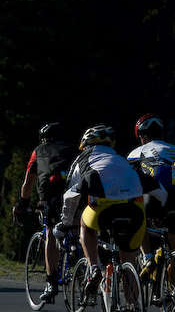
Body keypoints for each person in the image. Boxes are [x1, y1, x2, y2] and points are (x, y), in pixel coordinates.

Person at [53, 124, 146, 298]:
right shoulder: (121, 160)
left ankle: (94, 267)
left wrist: (65, 222)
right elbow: (157, 190)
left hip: (103, 210)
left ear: (86, 143)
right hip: (135, 210)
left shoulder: (83, 158)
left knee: (85, 225)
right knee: (128, 263)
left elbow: (69, 195)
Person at [127, 113, 175, 276]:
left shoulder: (138, 151)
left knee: (137, 215)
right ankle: (174, 292)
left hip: (158, 195)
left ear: (142, 137)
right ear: (162, 134)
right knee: (174, 248)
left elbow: (127, 177)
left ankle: (147, 257)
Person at [13, 122, 78, 300]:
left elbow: (28, 182)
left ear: (43, 139)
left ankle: (51, 283)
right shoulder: (74, 149)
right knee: (77, 225)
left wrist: (21, 204)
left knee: (50, 232)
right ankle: (77, 254)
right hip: (78, 193)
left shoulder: (39, 150)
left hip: (52, 195)